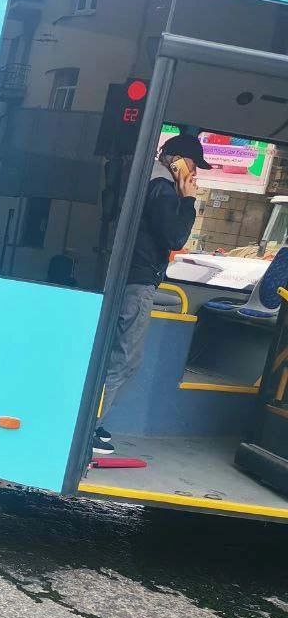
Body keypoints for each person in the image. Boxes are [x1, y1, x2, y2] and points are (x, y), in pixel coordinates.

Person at [94, 132, 209, 456]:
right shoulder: (162, 188)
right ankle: (88, 427)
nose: (195, 173)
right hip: (138, 282)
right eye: (193, 165)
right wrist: (188, 200)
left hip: (125, 277)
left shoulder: (146, 178)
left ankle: (91, 419)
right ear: (177, 160)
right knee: (126, 358)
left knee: (115, 356)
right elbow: (175, 237)